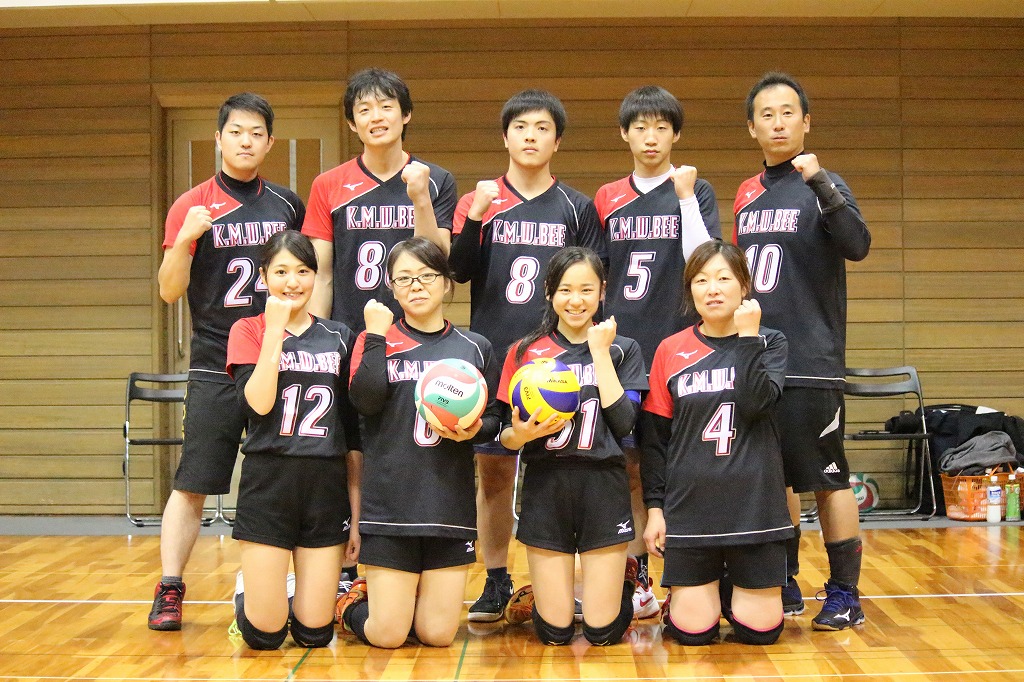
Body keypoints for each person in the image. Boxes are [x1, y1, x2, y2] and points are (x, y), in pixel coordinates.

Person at [449, 90, 605, 622]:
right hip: (497, 353)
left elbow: (592, 281)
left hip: (562, 357)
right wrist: (475, 216)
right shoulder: (481, 200)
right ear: (505, 137)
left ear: (557, 141)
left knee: (567, 470)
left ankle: (566, 585)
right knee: (494, 473)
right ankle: (496, 579)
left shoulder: (577, 207)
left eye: (542, 128)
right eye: (521, 127)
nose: (531, 136)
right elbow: (459, 271)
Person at [150, 93, 304, 631]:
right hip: (216, 357)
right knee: (194, 479)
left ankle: (285, 585)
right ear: (219, 139)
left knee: (287, 470)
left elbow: (303, 276)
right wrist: (184, 241)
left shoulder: (287, 205)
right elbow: (169, 291)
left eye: (257, 133)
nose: (246, 141)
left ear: (269, 141)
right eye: (236, 132)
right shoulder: (191, 204)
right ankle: (170, 587)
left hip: (277, 354)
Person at [302, 67, 458, 591]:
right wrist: (318, 338)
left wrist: (419, 198)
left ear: (405, 114)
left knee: (401, 447)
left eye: (386, 106)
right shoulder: (329, 185)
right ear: (352, 122)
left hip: (417, 340)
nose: (376, 117)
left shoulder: (435, 179)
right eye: (364, 109)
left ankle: (403, 557)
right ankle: (346, 563)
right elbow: (322, 272)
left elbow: (440, 259)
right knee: (348, 448)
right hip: (352, 335)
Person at [733, 72, 871, 630]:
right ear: (752, 128)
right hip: (760, 356)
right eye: (766, 114)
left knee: (827, 476)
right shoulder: (746, 193)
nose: (778, 123)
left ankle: (845, 592)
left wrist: (820, 183)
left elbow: (858, 245)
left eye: (788, 112)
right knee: (776, 476)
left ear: (806, 122)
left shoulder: (824, 183)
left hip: (812, 360)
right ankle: (785, 578)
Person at [336, 237, 502, 648]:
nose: (416, 286)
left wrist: (474, 430)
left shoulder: (475, 347)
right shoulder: (373, 340)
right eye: (404, 278)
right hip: (389, 505)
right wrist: (376, 336)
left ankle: (402, 606)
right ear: (391, 288)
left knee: (438, 635)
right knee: (388, 635)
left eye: (427, 276)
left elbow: (495, 419)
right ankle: (349, 605)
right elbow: (365, 402)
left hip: (448, 505)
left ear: (446, 283)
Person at [594, 85, 721, 618]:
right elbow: (594, 276)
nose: (651, 137)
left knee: (682, 463)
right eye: (641, 127)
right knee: (629, 466)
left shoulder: (696, 190)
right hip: (624, 352)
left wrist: (686, 197)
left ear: (676, 135)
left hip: (680, 347)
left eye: (662, 128)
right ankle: (637, 577)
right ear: (624, 134)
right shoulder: (606, 197)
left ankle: (693, 573)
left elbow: (703, 259)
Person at [641, 240, 792, 646]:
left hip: (755, 505)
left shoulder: (771, 341)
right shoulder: (671, 349)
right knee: (692, 634)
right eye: (701, 280)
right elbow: (655, 440)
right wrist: (655, 510)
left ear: (744, 286)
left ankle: (731, 591)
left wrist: (748, 338)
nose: (713, 289)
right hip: (691, 507)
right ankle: (709, 593)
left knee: (760, 634)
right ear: (689, 289)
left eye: (724, 278)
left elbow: (755, 404)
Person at [498, 246, 648, 646]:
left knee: (602, 633)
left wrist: (599, 352)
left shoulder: (623, 348)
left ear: (602, 291)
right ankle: (543, 597)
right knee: (554, 633)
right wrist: (522, 435)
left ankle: (624, 584)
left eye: (586, 289)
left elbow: (624, 423)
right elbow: (504, 436)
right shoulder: (524, 352)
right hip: (546, 485)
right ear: (549, 292)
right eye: (565, 290)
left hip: (604, 485)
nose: (576, 300)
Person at [224, 231, 359, 650]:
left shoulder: (340, 335)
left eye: (302, 271)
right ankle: (249, 594)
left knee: (314, 634)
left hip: (325, 485)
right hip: (269, 481)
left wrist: (356, 516)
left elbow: (352, 434)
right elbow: (258, 405)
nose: (292, 282)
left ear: (315, 276)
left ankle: (283, 596)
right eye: (281, 271)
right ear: (263, 277)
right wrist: (274, 331)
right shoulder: (247, 329)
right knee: (264, 636)